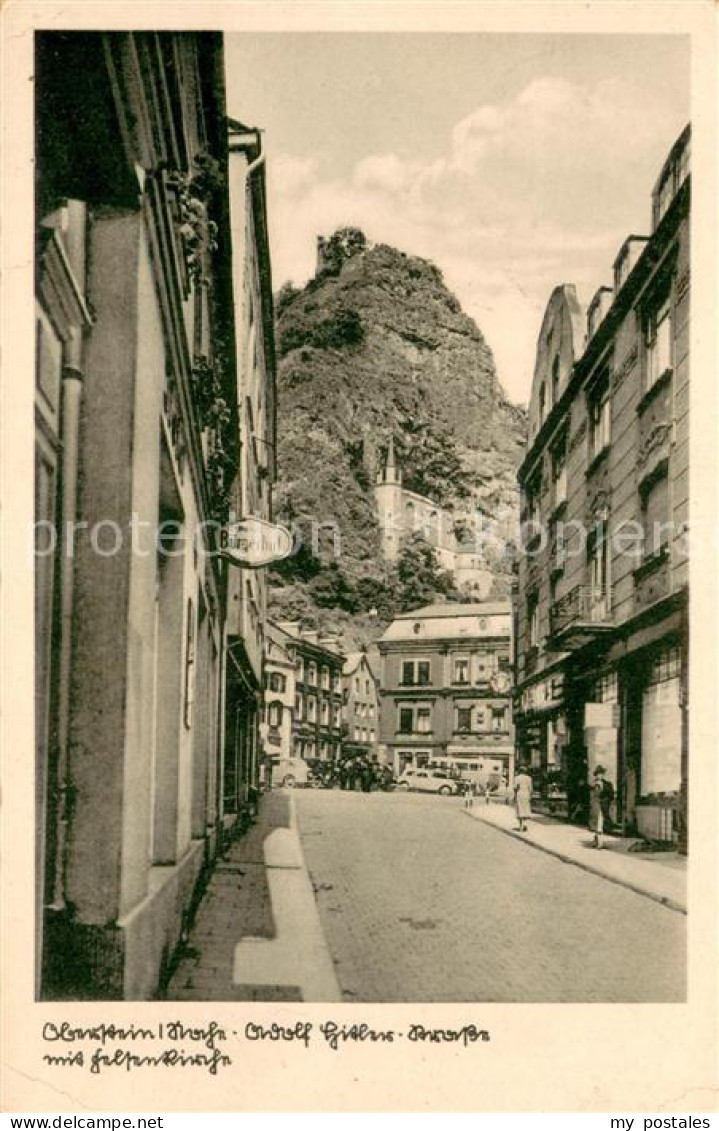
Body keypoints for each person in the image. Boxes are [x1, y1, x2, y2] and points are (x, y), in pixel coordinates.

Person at [589, 764, 614, 848]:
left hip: (604, 806)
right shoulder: (592, 785)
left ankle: (598, 841)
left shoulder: (607, 784)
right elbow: (591, 796)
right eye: (598, 774)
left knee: (601, 824)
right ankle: (598, 841)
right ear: (595, 775)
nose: (599, 776)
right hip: (595, 807)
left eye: (601, 774)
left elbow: (611, 796)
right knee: (597, 824)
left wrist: (608, 803)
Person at [513, 765, 533, 832]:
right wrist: (530, 796)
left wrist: (514, 795)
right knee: (525, 809)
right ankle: (524, 824)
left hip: (520, 794)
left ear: (519, 771)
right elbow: (531, 789)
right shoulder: (529, 778)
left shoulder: (517, 778)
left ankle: (521, 826)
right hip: (526, 794)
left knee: (520, 809)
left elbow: (515, 787)